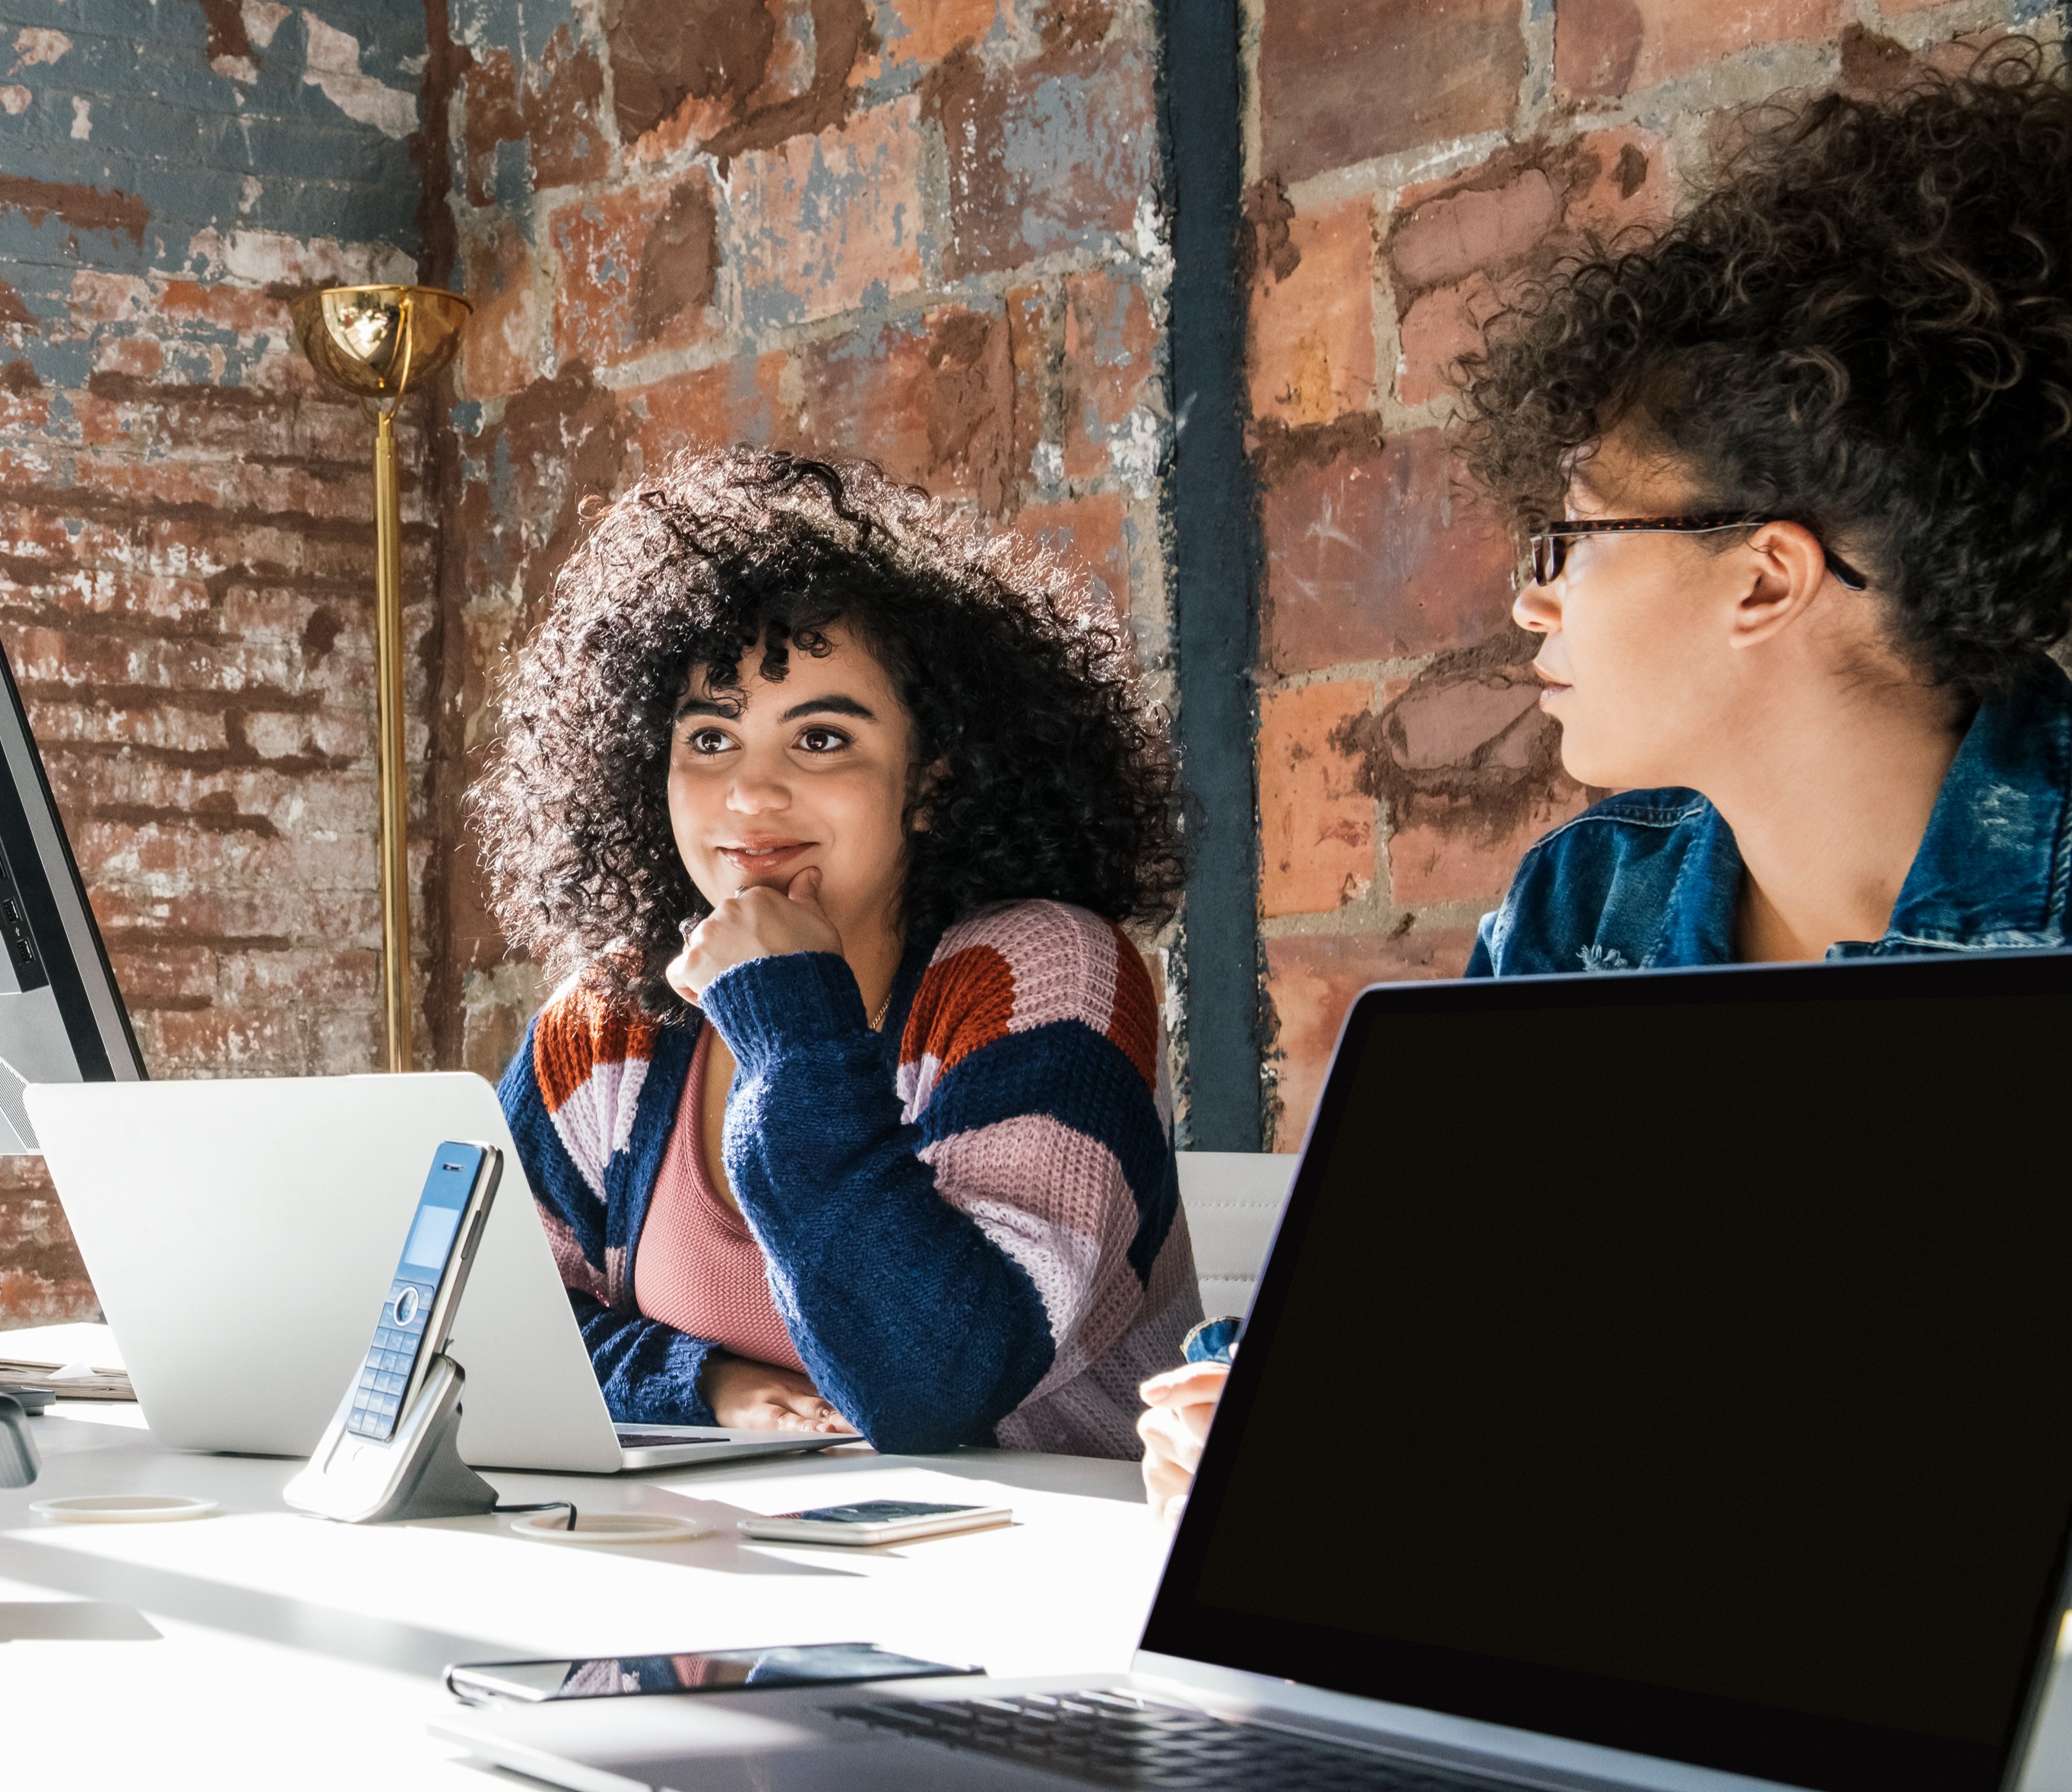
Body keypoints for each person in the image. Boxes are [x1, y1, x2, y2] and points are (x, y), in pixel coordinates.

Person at [1136, 44, 2072, 1511]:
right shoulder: (1591, 903)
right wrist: (1262, 1400)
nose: (1530, 602)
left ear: (1766, 578)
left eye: (1570, 543)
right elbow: (1386, 1309)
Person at [471, 448, 1199, 1457]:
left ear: (933, 775)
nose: (749, 796)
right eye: (710, 739)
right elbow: (482, 1332)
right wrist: (704, 1380)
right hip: (730, 1566)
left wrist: (790, 1027)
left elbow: (935, 1379)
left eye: (821, 739)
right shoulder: (608, 1029)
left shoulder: (1043, 975)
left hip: (1036, 1572)